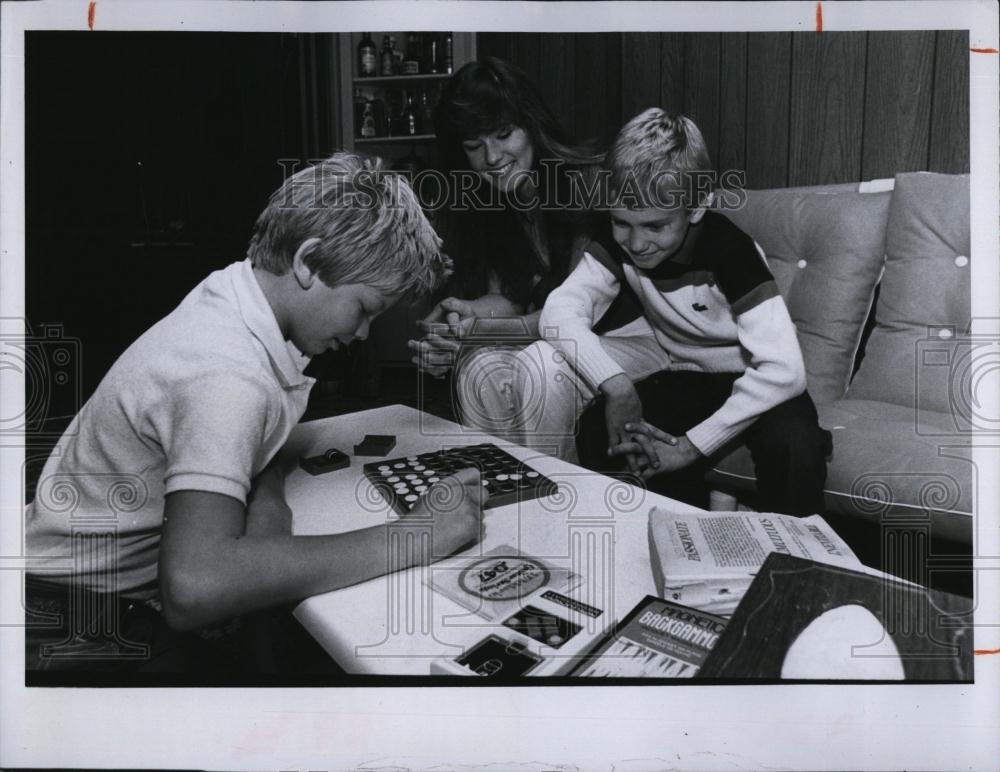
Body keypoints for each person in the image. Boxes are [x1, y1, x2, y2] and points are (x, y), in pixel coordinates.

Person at [24, 153, 483, 674]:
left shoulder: (239, 300)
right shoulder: (225, 372)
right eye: (364, 308)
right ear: (308, 263)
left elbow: (248, 441)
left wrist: (266, 505)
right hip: (67, 619)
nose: (360, 335)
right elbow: (195, 588)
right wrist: (414, 537)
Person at [482, 109, 831, 515]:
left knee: (796, 446)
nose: (636, 242)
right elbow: (558, 311)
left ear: (697, 207)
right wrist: (615, 384)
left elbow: (783, 371)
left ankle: (797, 562)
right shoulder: (622, 238)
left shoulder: (731, 251)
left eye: (654, 226)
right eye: (621, 222)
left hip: (751, 380)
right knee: (603, 431)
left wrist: (690, 446)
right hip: (683, 376)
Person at [407, 57, 636, 433]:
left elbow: (568, 317)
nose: (492, 157)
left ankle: (560, 490)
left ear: (532, 125)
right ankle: (506, 487)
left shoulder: (587, 185)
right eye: (473, 145)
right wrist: (456, 319)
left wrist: (475, 333)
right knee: (478, 368)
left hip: (619, 336)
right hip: (562, 338)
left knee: (544, 366)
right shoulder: (488, 202)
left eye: (503, 134)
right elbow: (506, 300)